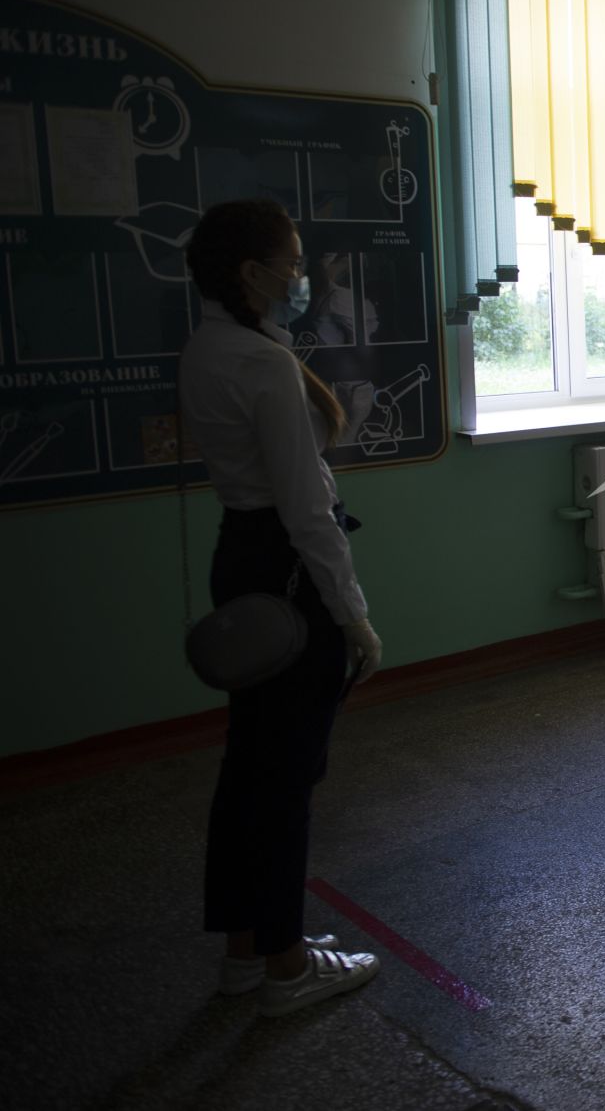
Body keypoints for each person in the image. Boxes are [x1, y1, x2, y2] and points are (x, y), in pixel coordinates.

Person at [179, 200, 384, 1015]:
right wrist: (355, 615)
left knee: (249, 765)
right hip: (288, 568)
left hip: (241, 558)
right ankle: (289, 966)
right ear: (250, 272)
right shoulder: (262, 363)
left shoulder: (213, 346)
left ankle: (244, 952)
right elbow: (307, 511)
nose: (301, 279)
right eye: (292, 265)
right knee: (288, 774)